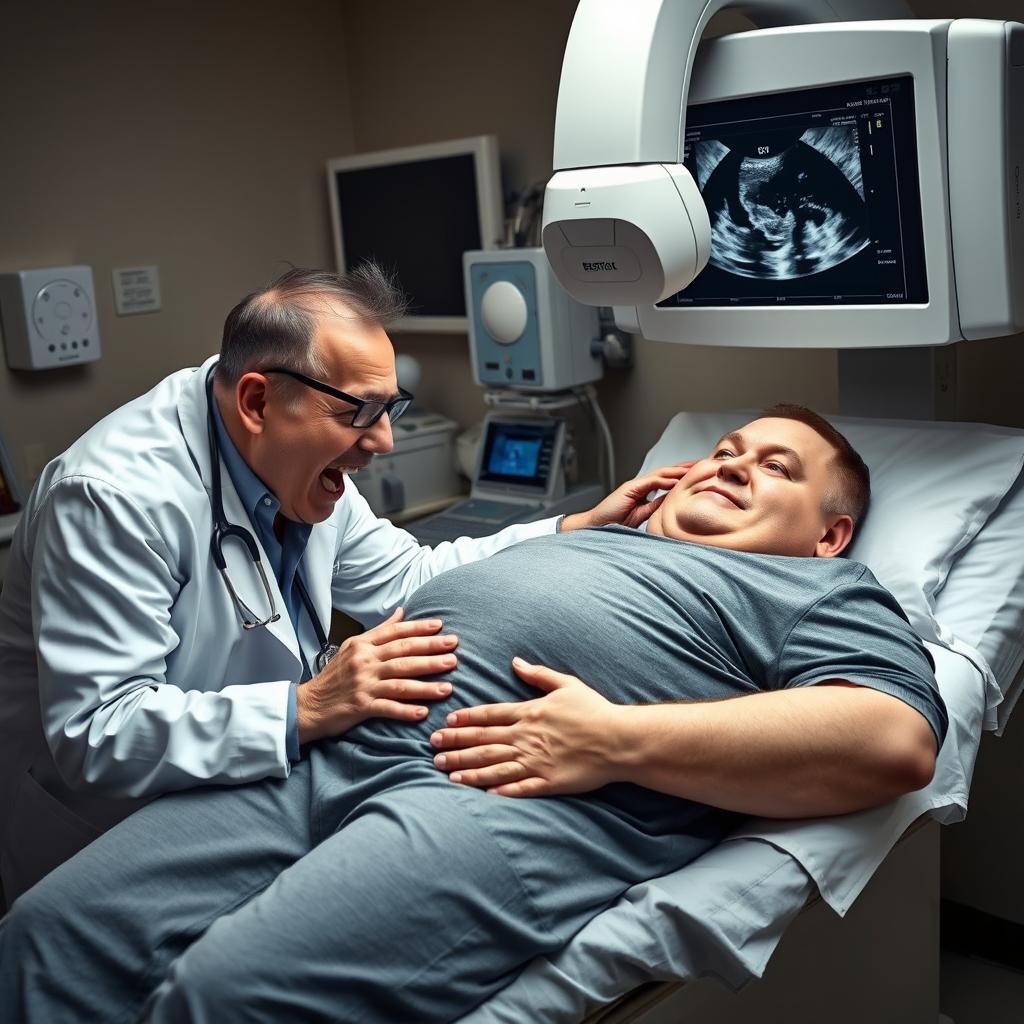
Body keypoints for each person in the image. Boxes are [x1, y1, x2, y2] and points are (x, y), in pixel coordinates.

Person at [0, 406, 947, 1023]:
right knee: (47, 934)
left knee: (222, 997)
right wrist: (584, 526)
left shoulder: (821, 593)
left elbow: (893, 739)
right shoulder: (595, 531)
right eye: (726, 449)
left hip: (501, 794)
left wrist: (612, 739)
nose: (731, 465)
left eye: (774, 467)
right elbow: (421, 576)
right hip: (330, 743)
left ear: (828, 535)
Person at [0, 264, 677, 906]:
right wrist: (308, 707)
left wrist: (568, 528)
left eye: (392, 409)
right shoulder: (113, 498)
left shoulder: (301, 464)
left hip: (234, 805)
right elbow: (99, 733)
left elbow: (407, 578)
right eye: (361, 411)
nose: (382, 441)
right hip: (100, 829)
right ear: (258, 400)